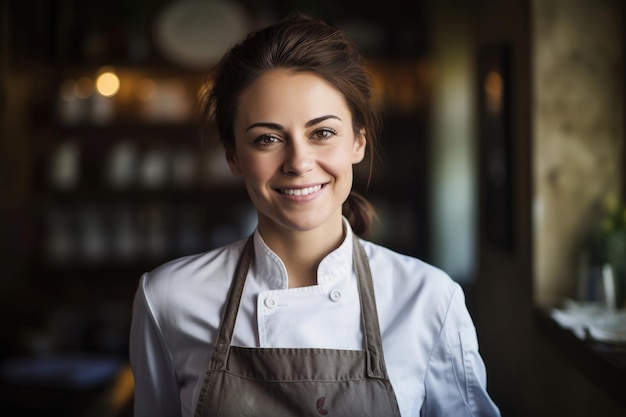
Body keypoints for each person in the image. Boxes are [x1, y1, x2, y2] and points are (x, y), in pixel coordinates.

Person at [129, 13, 500, 417]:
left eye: (322, 133)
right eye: (267, 139)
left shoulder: (428, 299)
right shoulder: (168, 298)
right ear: (233, 156)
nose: (299, 162)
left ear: (357, 142)